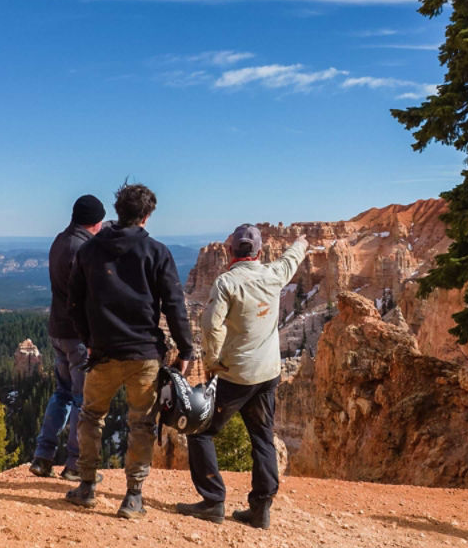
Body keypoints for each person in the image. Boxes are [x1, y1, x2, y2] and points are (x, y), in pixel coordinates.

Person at [65, 182, 196, 519]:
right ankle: (133, 496)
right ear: (146, 216)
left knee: (91, 417)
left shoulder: (90, 251)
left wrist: (88, 338)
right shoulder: (157, 252)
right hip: (144, 355)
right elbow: (174, 306)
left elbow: (74, 302)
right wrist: (186, 349)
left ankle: (87, 486)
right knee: (142, 424)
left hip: (103, 353)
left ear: (117, 211)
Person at [175, 224, 307, 529]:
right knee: (262, 437)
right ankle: (260, 508)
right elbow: (291, 259)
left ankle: (212, 501)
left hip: (235, 375)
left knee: (201, 430)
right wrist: (300, 242)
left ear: (230, 252)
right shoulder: (273, 274)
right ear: (259, 252)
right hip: (268, 373)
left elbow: (210, 325)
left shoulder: (225, 283)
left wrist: (212, 360)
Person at [29, 194, 106, 481]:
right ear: (96, 223)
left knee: (61, 393)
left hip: (56, 329)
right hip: (78, 335)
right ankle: (74, 463)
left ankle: (43, 456)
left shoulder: (60, 241)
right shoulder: (84, 249)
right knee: (81, 399)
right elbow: (91, 295)